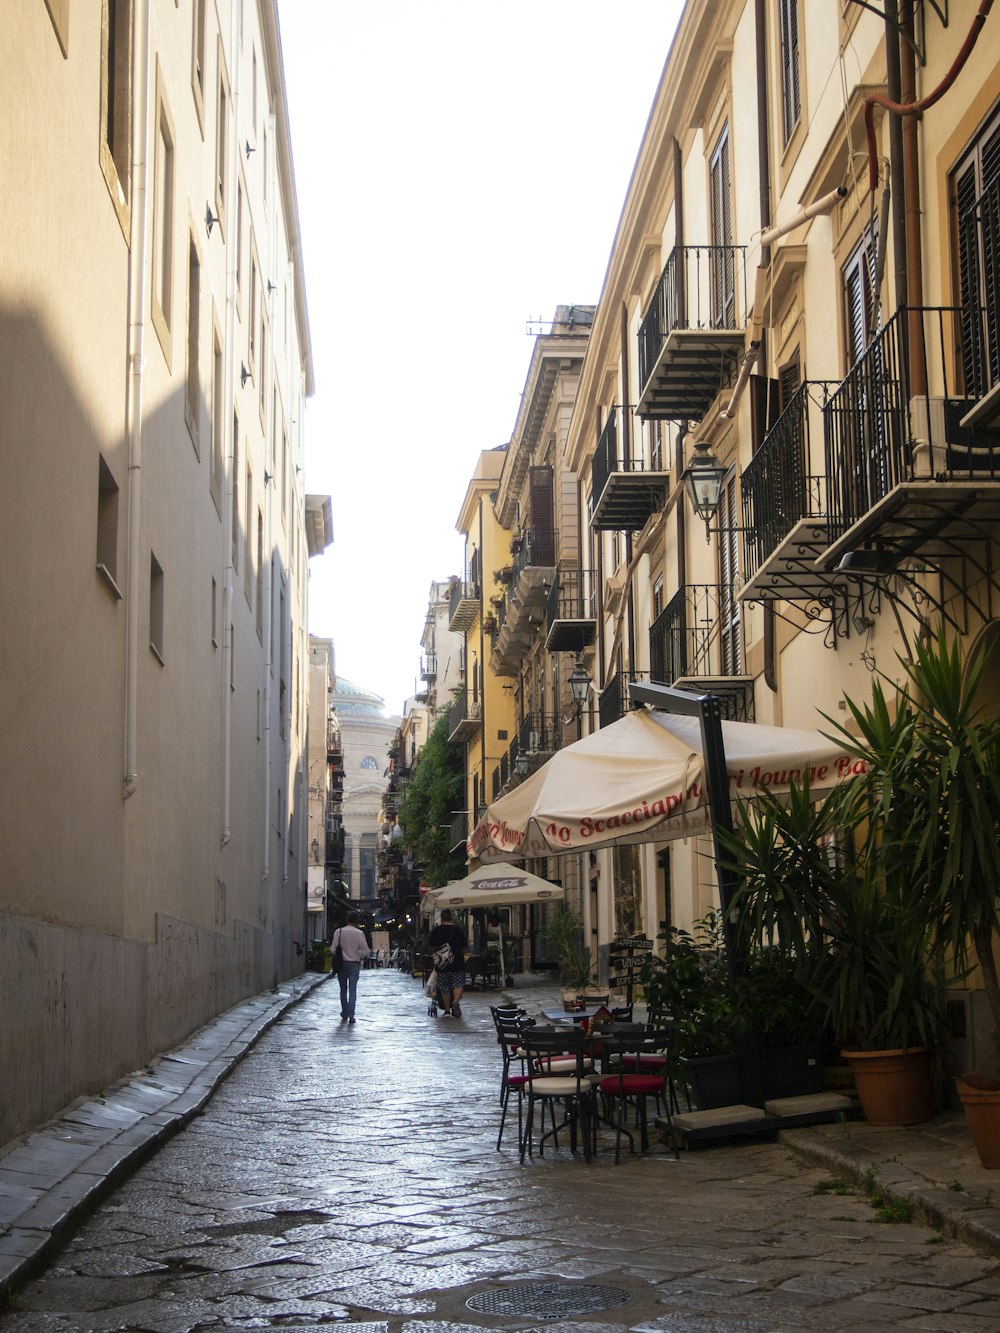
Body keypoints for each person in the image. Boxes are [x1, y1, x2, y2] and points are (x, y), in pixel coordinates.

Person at [332, 911, 370, 1023]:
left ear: (346, 919)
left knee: (343, 990)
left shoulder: (339, 932)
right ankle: (351, 1014)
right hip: (354, 963)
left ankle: (344, 1012)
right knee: (353, 990)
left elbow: (333, 949)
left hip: (341, 963)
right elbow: (366, 951)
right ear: (356, 921)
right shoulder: (359, 933)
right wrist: (358, 955)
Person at [428, 908, 467, 1018]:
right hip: (457, 961)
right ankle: (455, 1002)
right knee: (458, 983)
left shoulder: (436, 930)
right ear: (451, 917)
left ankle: (446, 1010)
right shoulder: (458, 930)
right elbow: (464, 946)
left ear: (441, 918)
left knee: (444, 987)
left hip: (442, 964)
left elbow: (431, 945)